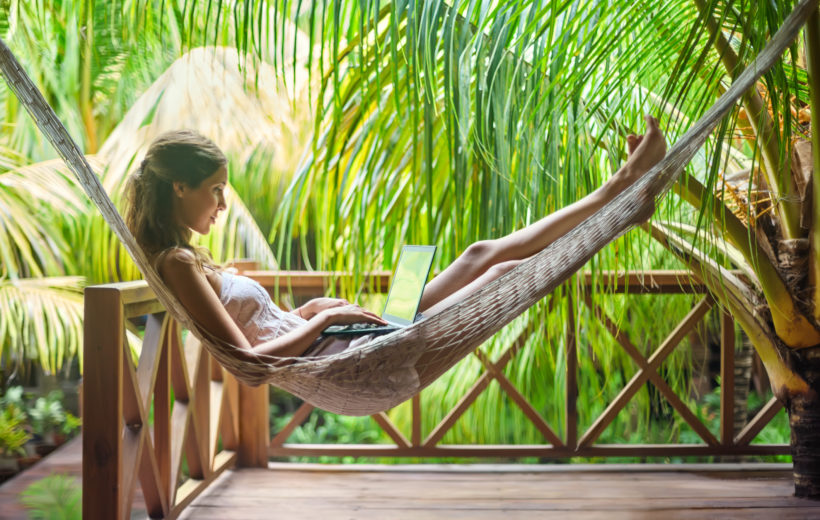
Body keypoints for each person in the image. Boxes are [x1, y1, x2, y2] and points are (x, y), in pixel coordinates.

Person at [125, 115, 666, 361]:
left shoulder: (187, 258)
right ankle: (621, 205)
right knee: (500, 272)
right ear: (179, 187)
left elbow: (267, 327)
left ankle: (618, 192)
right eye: (216, 190)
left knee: (479, 254)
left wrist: (312, 308)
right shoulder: (177, 263)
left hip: (351, 339)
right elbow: (250, 363)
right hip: (351, 354)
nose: (223, 204)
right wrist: (322, 321)